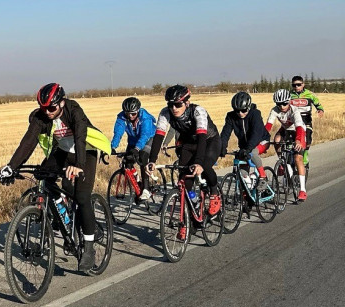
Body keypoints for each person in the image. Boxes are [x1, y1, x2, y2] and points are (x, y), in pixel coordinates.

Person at [0, 82, 111, 273]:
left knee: (82, 197)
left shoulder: (73, 109)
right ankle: (62, 212)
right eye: (44, 108)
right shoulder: (42, 116)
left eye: (51, 108)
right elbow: (28, 141)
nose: (48, 112)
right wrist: (11, 167)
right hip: (63, 151)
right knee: (44, 176)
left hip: (85, 152)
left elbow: (81, 138)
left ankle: (89, 246)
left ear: (62, 102)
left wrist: (78, 166)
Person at [146, 85, 222, 239]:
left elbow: (201, 137)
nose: (174, 108)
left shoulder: (198, 111)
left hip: (208, 140)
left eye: (178, 104)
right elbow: (159, 136)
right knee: (184, 183)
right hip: (188, 143)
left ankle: (214, 194)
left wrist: (199, 162)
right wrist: (152, 160)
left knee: (205, 166)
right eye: (170, 104)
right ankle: (189, 219)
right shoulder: (165, 113)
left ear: (187, 102)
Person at [219, 92, 272, 199]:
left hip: (261, 141)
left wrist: (247, 149)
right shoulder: (231, 116)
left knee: (252, 152)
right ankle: (249, 192)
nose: (240, 113)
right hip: (245, 146)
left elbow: (256, 134)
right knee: (243, 172)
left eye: (243, 110)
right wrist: (221, 147)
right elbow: (225, 133)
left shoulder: (255, 114)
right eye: (237, 110)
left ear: (248, 107)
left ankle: (263, 177)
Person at [110, 96, 156, 201]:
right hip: (133, 139)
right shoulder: (121, 117)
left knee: (143, 157)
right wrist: (112, 146)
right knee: (127, 162)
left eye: (133, 114)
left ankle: (146, 189)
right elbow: (118, 133)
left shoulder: (145, 117)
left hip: (150, 137)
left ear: (138, 111)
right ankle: (138, 183)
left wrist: (137, 148)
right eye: (127, 113)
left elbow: (145, 135)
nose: (130, 116)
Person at [265, 89, 308, 200]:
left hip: (299, 131)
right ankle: (282, 162)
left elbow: (299, 126)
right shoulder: (275, 110)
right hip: (286, 130)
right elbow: (268, 126)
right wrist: (262, 139)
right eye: (279, 104)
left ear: (289, 101)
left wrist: (298, 140)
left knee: (298, 157)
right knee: (277, 140)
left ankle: (302, 190)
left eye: (284, 103)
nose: (282, 106)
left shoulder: (294, 110)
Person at [289, 75, 324, 182]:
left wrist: (320, 110)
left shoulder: (310, 94)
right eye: (294, 85)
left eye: (299, 85)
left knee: (307, 141)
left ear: (303, 84)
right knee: (289, 143)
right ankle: (289, 163)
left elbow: (318, 104)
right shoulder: (290, 95)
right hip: (293, 122)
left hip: (306, 122)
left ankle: (305, 156)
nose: (297, 87)